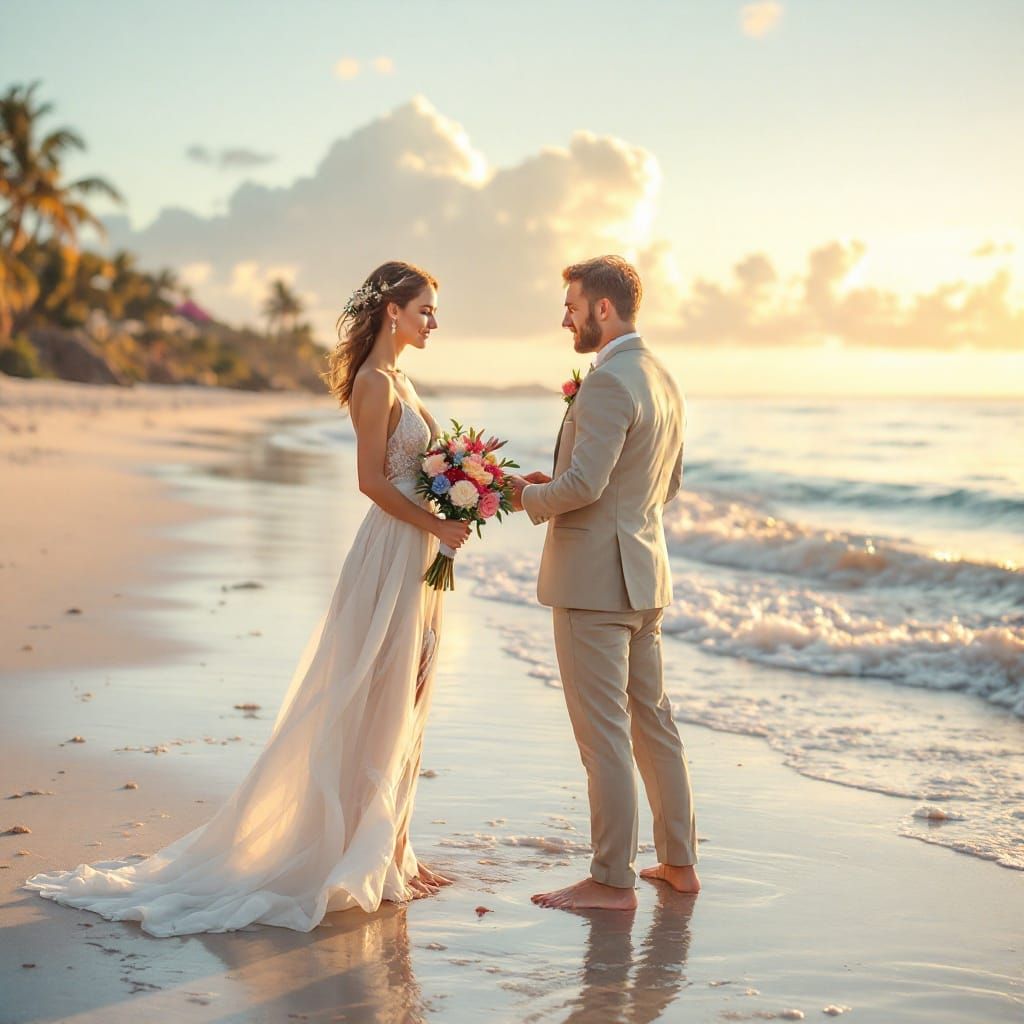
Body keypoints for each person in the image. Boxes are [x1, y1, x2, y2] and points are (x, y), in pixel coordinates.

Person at [25, 261, 471, 936]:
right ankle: (364, 851)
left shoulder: (404, 379)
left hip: (419, 553)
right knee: (375, 692)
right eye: (426, 310)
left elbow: (415, 472)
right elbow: (371, 484)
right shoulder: (375, 384)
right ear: (392, 313)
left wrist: (457, 491)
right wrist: (437, 520)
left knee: (409, 686)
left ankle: (393, 848)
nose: (433, 322)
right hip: (392, 547)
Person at [509, 255, 700, 912]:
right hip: (645, 576)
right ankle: (679, 864)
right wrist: (561, 487)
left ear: (604, 309)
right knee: (654, 724)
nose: (566, 316)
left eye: (572, 305)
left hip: (593, 585)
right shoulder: (662, 378)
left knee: (604, 735)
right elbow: (665, 486)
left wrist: (523, 496)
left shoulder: (609, 383)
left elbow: (584, 487)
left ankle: (612, 879)